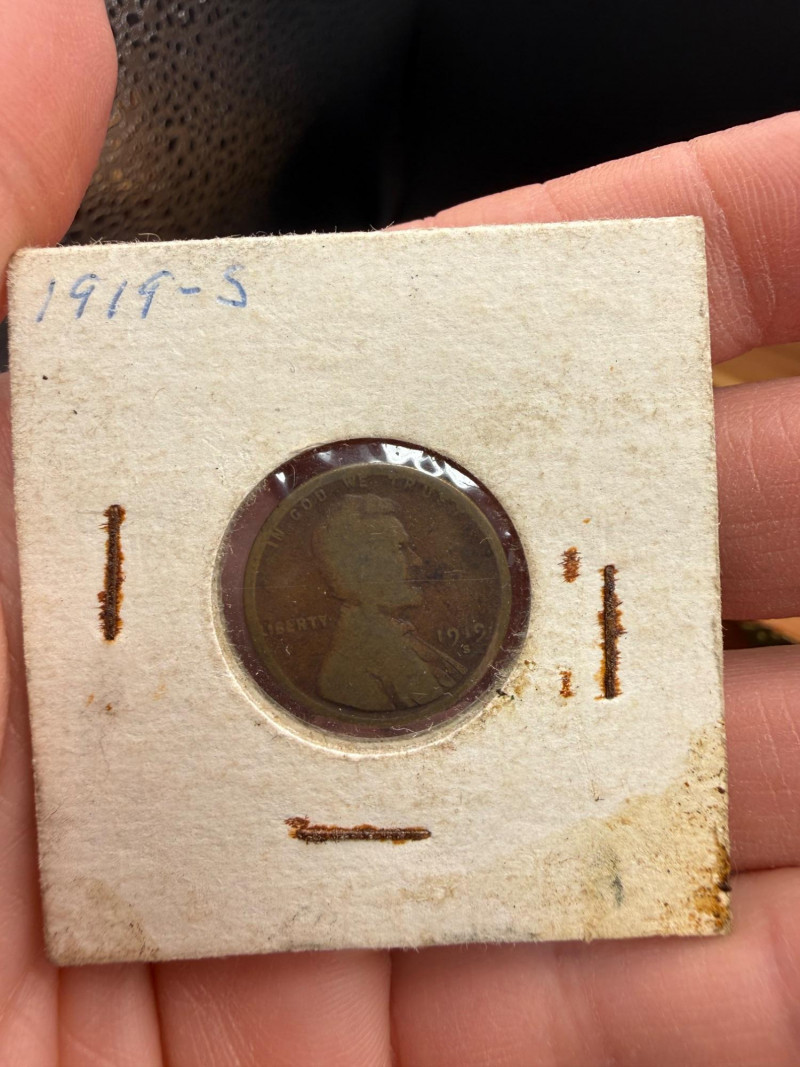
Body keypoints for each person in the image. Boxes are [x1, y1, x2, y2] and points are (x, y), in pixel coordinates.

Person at [1, 3, 799, 1063]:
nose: (419, 557)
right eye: (388, 547)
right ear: (339, 563)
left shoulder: (391, 655)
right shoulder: (362, 665)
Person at [312, 493, 463, 711]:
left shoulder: (404, 641)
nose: (417, 561)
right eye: (400, 548)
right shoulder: (347, 677)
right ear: (360, 569)